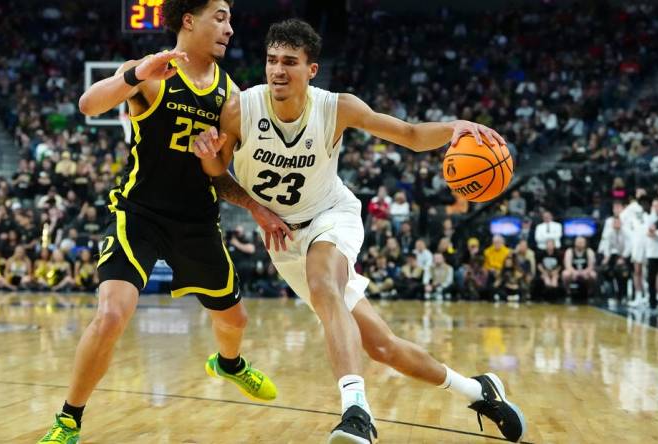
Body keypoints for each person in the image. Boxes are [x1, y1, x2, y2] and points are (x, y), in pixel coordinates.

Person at [192, 19, 525, 443]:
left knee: (323, 281)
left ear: (311, 70)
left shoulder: (336, 107)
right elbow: (217, 175)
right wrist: (248, 200)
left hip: (332, 215)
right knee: (383, 347)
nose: (277, 70)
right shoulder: (240, 108)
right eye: (272, 60)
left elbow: (407, 134)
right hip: (282, 238)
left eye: (290, 62)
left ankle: (356, 412)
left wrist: (453, 127)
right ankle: (480, 391)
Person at [37, 1, 283, 442]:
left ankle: (229, 364)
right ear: (189, 20)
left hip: (197, 221)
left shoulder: (230, 96)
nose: (230, 28)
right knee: (112, 314)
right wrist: (136, 75)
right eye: (221, 17)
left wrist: (250, 203)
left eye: (230, 19)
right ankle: (68, 421)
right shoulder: (150, 71)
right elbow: (88, 104)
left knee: (236, 321)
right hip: (139, 213)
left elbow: (220, 176)